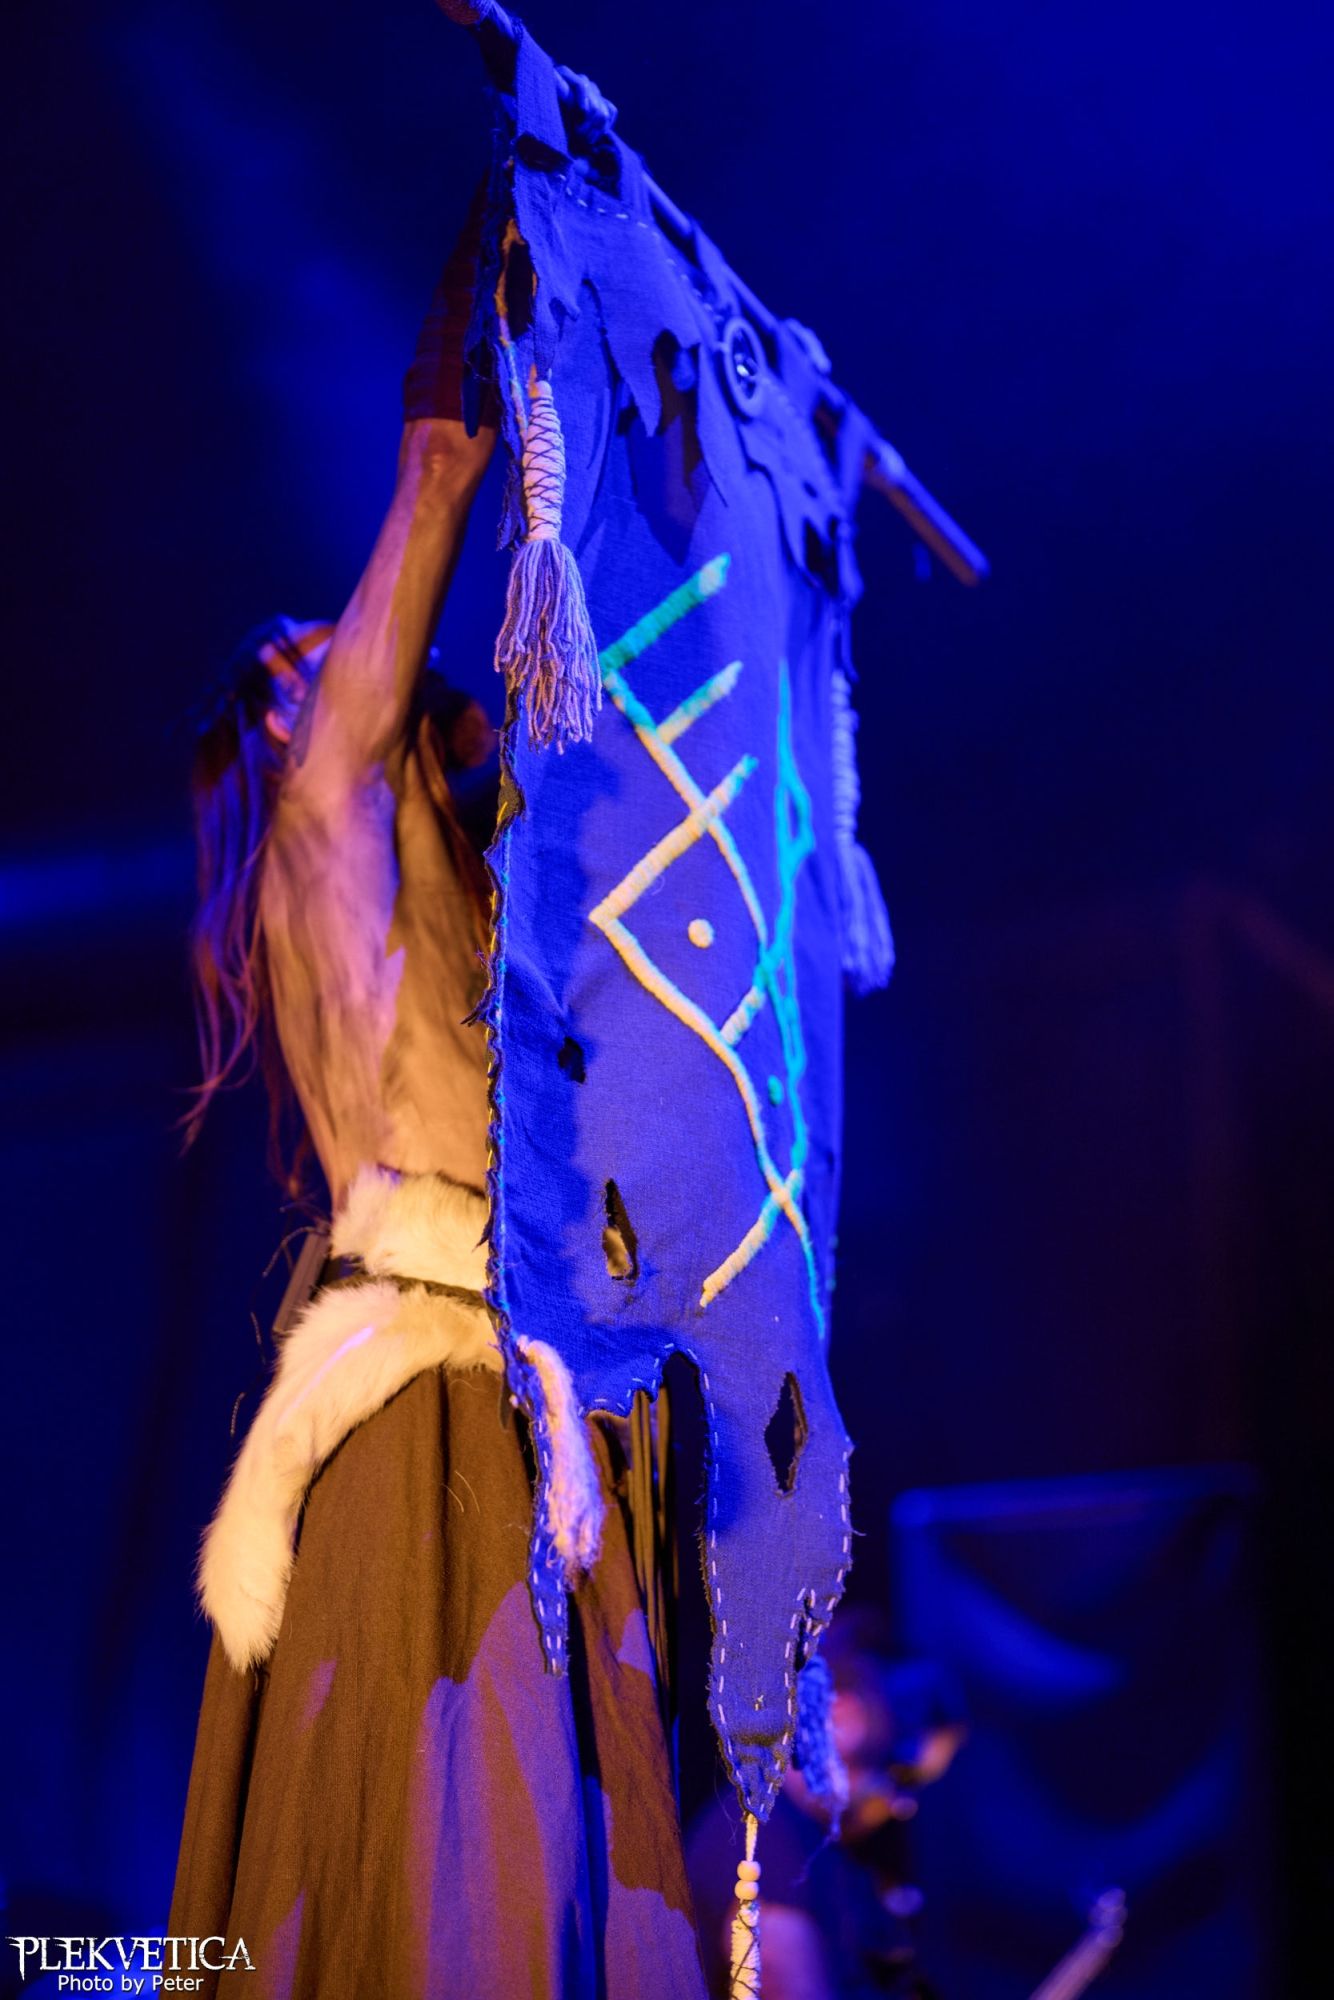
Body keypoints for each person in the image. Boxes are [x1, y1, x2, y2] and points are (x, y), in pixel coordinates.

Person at [168, 202, 708, 1999]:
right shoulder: (323, 812)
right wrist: (498, 235)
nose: (359, 656)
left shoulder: (453, 908)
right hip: (431, 1401)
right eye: (322, 656)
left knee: (551, 1863)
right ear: (287, 714)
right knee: (460, 1862)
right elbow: (437, 469)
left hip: (514, 1378)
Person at [686, 1611, 967, 1999]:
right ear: (845, 1720)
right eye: (902, 1776)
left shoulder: (813, 1847)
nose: (902, 1805)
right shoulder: (768, 1842)